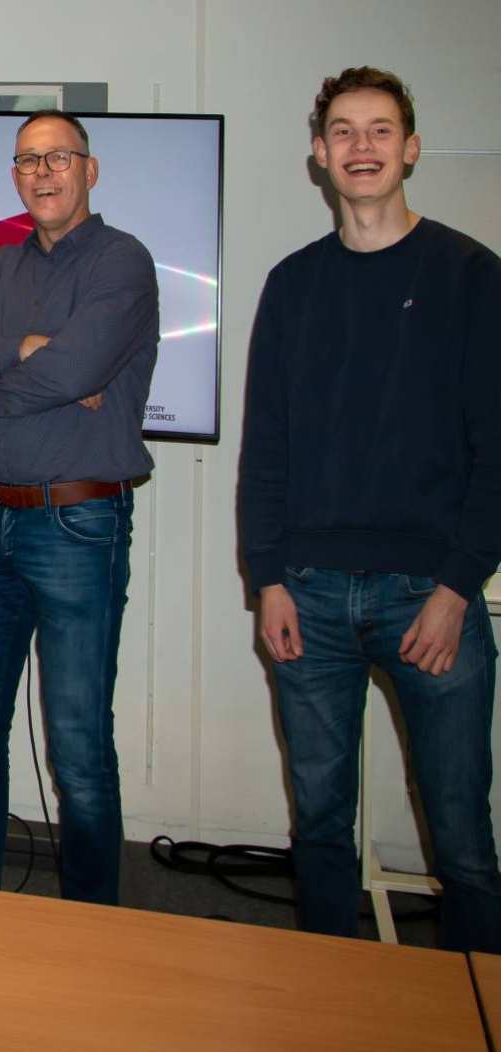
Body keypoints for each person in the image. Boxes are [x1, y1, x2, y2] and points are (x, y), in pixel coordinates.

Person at [238, 66, 501, 950]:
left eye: (380, 131)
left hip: (431, 597)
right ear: (319, 154)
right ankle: (325, 1013)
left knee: (462, 841)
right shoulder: (292, 285)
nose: (361, 147)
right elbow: (264, 451)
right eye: (343, 132)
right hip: (306, 596)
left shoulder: (471, 276)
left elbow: (498, 452)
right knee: (318, 833)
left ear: (410, 149)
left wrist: (458, 587)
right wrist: (266, 580)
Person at [0, 109, 159, 905]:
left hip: (77, 524)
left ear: (90, 170)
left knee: (79, 748)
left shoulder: (123, 264)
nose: (43, 171)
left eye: (60, 157)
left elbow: (76, 370)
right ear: (15, 176)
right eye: (28, 160)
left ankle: (92, 931)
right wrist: (23, 353)